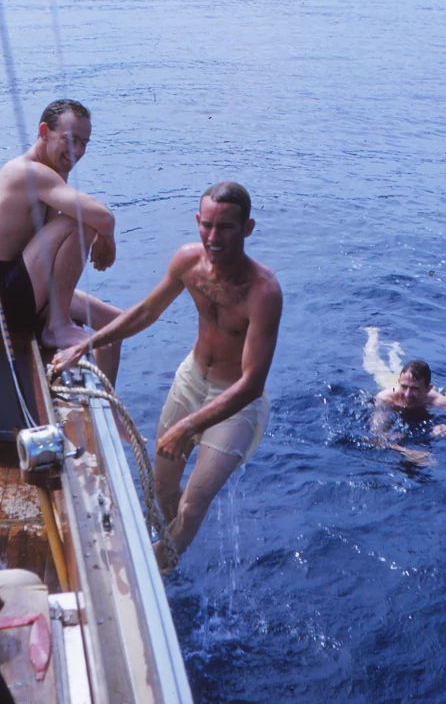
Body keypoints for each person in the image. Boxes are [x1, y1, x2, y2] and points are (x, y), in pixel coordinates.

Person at [52, 182, 283, 569]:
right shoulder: (188, 263)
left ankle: (151, 573)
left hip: (236, 400)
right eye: (206, 225)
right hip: (191, 381)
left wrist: (187, 426)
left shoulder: (263, 292)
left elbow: (252, 383)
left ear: (248, 228)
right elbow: (145, 312)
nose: (213, 237)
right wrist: (85, 346)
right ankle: (173, 555)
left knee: (193, 506)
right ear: (197, 221)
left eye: (226, 227)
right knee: (161, 490)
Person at [0, 99, 122, 383]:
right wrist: (106, 238)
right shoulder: (29, 172)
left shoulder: (54, 173)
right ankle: (57, 325)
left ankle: (110, 411)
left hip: (24, 284)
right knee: (80, 219)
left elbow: (65, 242)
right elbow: (102, 218)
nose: (76, 151)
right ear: (43, 132)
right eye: (69, 140)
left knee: (116, 324)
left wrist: (101, 231)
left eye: (84, 143)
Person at [364, 328, 446, 464]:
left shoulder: (437, 400)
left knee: (396, 362)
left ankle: (394, 347)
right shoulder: (385, 398)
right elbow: (377, 436)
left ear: (428, 389)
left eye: (414, 389)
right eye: (404, 387)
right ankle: (372, 334)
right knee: (374, 363)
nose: (407, 394)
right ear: (399, 383)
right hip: (387, 382)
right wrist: (407, 452)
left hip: (407, 380)